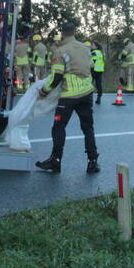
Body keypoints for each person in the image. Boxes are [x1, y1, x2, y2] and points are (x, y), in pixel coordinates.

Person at [36, 22, 99, 174]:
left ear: (62, 33)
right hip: (87, 93)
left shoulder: (60, 51)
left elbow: (56, 77)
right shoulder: (86, 48)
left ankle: (55, 161)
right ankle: (93, 162)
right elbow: (90, 67)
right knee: (88, 128)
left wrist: (44, 91)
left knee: (58, 127)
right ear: (75, 32)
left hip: (69, 95)